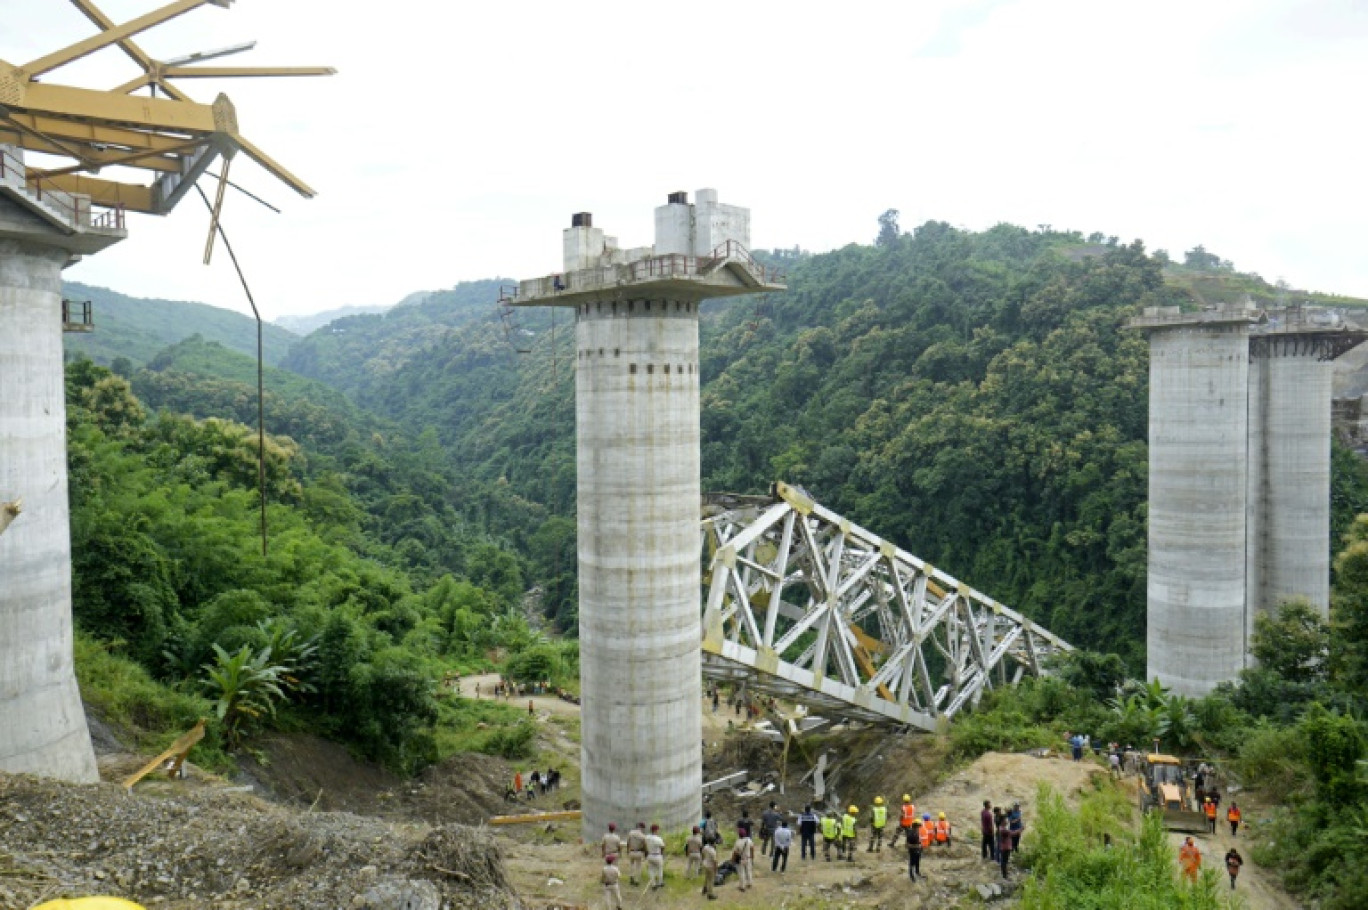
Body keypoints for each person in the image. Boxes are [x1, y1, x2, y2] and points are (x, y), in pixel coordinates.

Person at [733, 827, 755, 891]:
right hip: (748, 858)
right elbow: (752, 848)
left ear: (739, 834)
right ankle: (749, 883)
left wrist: (733, 860)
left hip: (741, 859)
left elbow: (735, 852)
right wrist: (752, 856)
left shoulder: (737, 842)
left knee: (741, 872)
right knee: (748, 871)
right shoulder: (749, 840)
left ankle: (742, 886)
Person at [645, 823, 666, 890]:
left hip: (650, 855)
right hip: (657, 855)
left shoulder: (647, 837)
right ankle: (660, 882)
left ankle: (653, 884)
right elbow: (663, 846)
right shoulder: (658, 839)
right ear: (656, 830)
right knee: (660, 869)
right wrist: (662, 854)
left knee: (651, 870)